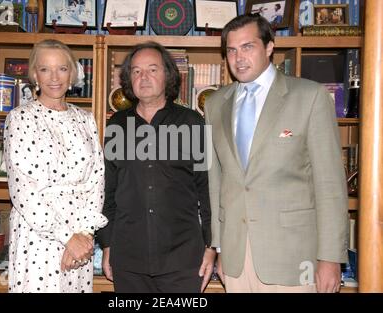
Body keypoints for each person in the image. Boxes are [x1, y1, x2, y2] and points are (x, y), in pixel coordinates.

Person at [204, 14, 348, 293]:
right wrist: (219, 246)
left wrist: (330, 258)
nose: (239, 58)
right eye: (231, 50)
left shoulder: (309, 96)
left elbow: (330, 185)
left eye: (248, 47)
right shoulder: (215, 103)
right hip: (236, 258)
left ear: (270, 47)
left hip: (294, 256)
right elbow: (216, 183)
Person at [97, 41, 216, 293]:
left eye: (153, 69)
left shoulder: (193, 123)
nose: (144, 77)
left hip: (183, 260)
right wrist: (107, 245)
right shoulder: (117, 124)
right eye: (136, 71)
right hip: (129, 260)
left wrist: (211, 247)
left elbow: (208, 190)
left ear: (168, 76)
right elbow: (108, 190)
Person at [4, 39, 107, 292]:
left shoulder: (85, 119)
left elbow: (97, 180)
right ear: (34, 74)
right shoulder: (20, 118)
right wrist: (67, 237)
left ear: (72, 74)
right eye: (45, 69)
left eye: (62, 69)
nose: (54, 77)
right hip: (38, 235)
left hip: (80, 235)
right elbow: (23, 191)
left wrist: (84, 235)